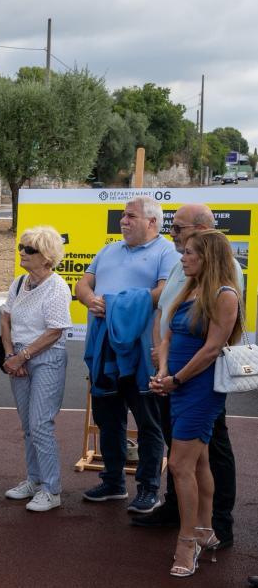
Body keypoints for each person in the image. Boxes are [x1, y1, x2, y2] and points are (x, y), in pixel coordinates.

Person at [133, 204, 240, 550]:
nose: (173, 235)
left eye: (178, 229)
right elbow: (164, 313)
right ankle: (181, 512)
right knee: (185, 453)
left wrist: (177, 376)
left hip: (198, 381)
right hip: (172, 375)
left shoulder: (225, 276)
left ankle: (215, 525)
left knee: (205, 454)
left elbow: (214, 342)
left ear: (201, 231)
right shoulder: (186, 272)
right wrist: (161, 360)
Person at [76, 196, 181, 513]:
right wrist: (91, 300)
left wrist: (117, 307)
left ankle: (148, 488)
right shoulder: (109, 249)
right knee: (108, 419)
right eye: (122, 215)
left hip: (142, 352)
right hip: (105, 349)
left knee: (149, 423)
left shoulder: (166, 252)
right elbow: (83, 283)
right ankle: (113, 482)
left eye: (130, 216)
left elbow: (165, 292)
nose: (123, 221)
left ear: (152, 222)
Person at [0, 226, 72, 512]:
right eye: (21, 247)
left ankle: (51, 490)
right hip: (18, 358)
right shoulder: (18, 283)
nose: (22, 253)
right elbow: (5, 319)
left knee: (41, 424)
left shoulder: (57, 287)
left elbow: (55, 331)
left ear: (46, 257)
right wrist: (10, 354)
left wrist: (23, 356)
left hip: (47, 359)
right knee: (29, 426)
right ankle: (34, 479)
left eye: (29, 250)